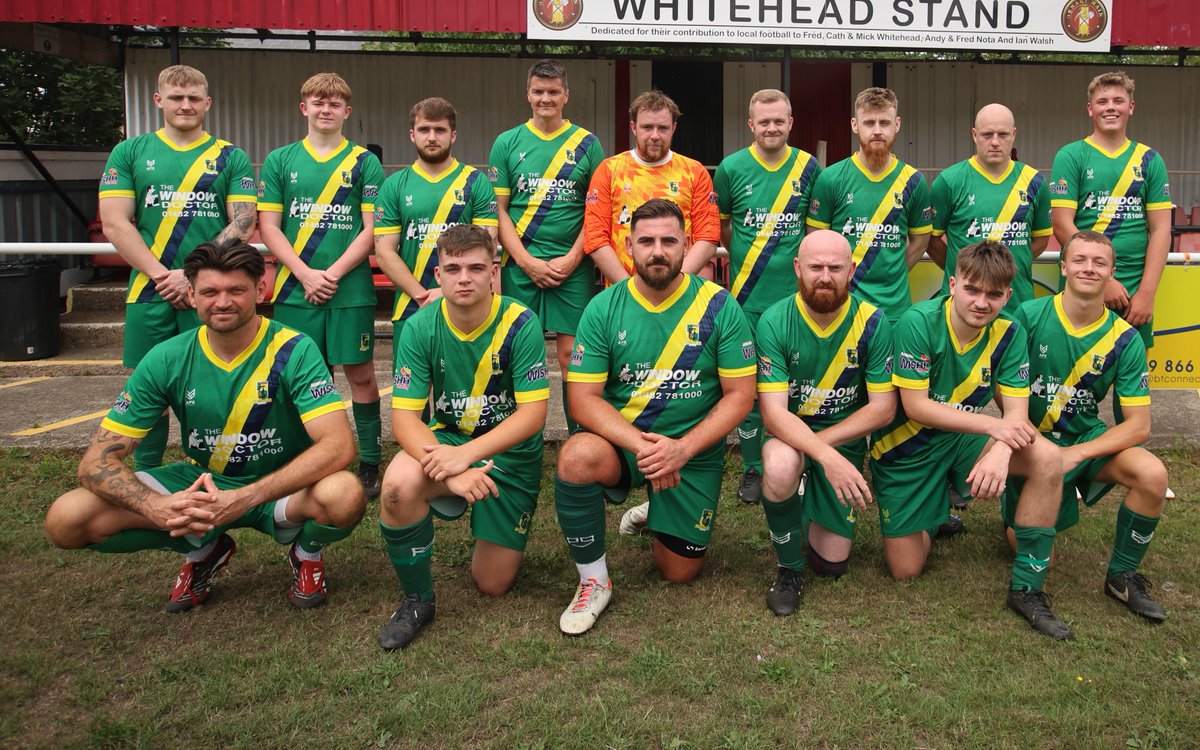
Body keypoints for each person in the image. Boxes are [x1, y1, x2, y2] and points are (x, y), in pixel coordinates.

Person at [44, 239, 364, 612]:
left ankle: (306, 552)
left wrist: (246, 497)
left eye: (236, 290)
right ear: (191, 294)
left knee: (345, 495)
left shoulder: (295, 348)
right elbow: (94, 463)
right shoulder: (166, 357)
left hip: (282, 485)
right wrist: (156, 506)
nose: (223, 302)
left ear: (261, 290)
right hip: (203, 486)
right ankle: (202, 547)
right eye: (209, 291)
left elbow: (339, 446)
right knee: (66, 519)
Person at [553, 198, 756, 635]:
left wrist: (681, 449)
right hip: (627, 446)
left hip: (691, 450)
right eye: (646, 241)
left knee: (678, 573)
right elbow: (583, 399)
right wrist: (644, 447)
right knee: (575, 456)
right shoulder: (603, 308)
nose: (658, 250)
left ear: (687, 244)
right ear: (629, 246)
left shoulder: (719, 306)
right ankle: (593, 581)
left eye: (668, 240)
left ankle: (657, 508)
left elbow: (741, 396)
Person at [869, 240, 1070, 639]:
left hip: (960, 438)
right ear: (952, 283)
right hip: (905, 448)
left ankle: (1026, 589)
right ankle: (934, 508)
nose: (982, 302)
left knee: (1048, 459)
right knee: (905, 571)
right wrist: (994, 430)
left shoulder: (1010, 332)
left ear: (1007, 295)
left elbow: (1015, 415)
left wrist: (999, 450)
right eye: (972, 289)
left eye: (994, 294)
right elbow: (916, 407)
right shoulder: (918, 321)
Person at [376, 225, 550, 650]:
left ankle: (492, 524)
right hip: (448, 441)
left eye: (475, 267)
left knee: (492, 584)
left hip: (508, 454)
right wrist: (452, 468)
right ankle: (418, 599)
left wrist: (466, 459)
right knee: (397, 487)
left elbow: (532, 415)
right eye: (452, 268)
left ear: (494, 271)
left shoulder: (521, 322)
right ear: (438, 275)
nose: (464, 278)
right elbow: (404, 421)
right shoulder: (419, 327)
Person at [99, 64, 258, 471]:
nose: (184, 105)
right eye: (175, 97)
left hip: (209, 291)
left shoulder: (230, 156)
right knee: (145, 385)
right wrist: (160, 274)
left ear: (207, 103)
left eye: (193, 98)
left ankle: (213, 469)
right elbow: (115, 222)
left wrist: (191, 276)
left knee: (210, 381)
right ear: (159, 101)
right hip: (149, 289)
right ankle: (149, 474)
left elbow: (243, 221)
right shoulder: (130, 152)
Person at [1004, 230, 1168, 623]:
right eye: (1079, 260)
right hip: (1033, 441)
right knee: (1040, 552)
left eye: (1099, 263)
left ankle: (1122, 575)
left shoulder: (1125, 338)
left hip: (1084, 440)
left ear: (1112, 272)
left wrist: (1076, 453)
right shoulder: (1028, 316)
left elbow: (1139, 426)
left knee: (1153, 473)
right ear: (1063, 267)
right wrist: (1037, 444)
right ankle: (1017, 518)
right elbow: (1003, 389)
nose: (1088, 269)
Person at [258, 73, 386, 499]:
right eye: (318, 102)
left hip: (349, 288)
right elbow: (269, 227)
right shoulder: (280, 160)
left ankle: (369, 461)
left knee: (362, 375)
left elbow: (373, 229)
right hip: (297, 288)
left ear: (346, 112)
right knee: (303, 378)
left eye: (334, 104)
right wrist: (305, 273)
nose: (325, 109)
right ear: (304, 108)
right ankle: (305, 460)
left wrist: (331, 274)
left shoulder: (364, 162)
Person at [755, 230, 896, 615]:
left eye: (835, 268)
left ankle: (800, 501)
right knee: (782, 465)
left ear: (851, 270)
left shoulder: (873, 322)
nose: (825, 277)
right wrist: (822, 456)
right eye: (815, 267)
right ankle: (788, 570)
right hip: (790, 437)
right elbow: (773, 413)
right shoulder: (774, 320)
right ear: (798, 269)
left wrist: (828, 451)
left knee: (832, 565)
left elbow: (883, 408)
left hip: (842, 441)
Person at [713, 88, 822, 504]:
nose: (772, 127)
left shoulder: (809, 168)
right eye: (764, 121)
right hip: (748, 302)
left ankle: (804, 462)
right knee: (753, 391)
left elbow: (815, 232)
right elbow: (725, 230)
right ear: (751, 124)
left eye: (780, 120)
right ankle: (755, 468)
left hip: (799, 303)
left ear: (791, 123)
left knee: (799, 386)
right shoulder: (731, 168)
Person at [488, 60, 605, 430]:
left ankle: (580, 437)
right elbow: (499, 212)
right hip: (521, 266)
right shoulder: (506, 143)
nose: (545, 98)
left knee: (572, 355)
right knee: (518, 353)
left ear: (566, 96)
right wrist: (525, 262)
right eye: (538, 91)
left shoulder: (587, 143)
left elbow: (596, 211)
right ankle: (518, 440)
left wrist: (573, 259)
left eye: (553, 92)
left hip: (573, 268)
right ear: (528, 94)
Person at [1050, 71, 1172, 350]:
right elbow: (1061, 223)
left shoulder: (1150, 160)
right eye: (1102, 101)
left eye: (1118, 100)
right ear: (1090, 109)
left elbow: (1161, 229)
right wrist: (1103, 280)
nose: (1110, 107)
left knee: (1130, 377)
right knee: (1071, 373)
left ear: (1131, 106)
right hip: (1083, 277)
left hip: (1133, 288)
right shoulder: (1071, 156)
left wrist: (1147, 294)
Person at [374, 97, 499, 365]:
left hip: (466, 306)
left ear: (453, 135)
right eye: (424, 130)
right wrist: (423, 295)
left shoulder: (476, 182)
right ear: (412, 134)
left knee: (465, 395)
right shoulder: (394, 185)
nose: (432, 137)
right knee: (412, 398)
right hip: (410, 306)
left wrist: (445, 291)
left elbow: (486, 245)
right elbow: (384, 252)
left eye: (440, 130)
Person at [806, 87, 932, 323]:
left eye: (884, 122)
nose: (876, 131)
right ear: (855, 125)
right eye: (869, 122)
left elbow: (921, 240)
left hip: (895, 311)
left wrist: (894, 272)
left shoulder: (914, 181)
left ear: (897, 124)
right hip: (842, 308)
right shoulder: (831, 178)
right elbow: (816, 241)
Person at [583, 90, 720, 284]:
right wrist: (628, 290)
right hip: (623, 293)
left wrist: (675, 284)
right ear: (634, 127)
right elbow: (595, 237)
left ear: (673, 128)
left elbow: (708, 236)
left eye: (662, 128)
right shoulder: (609, 170)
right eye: (647, 127)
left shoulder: (694, 172)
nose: (655, 135)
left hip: (681, 294)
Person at [929, 103, 1052, 314]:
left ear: (1013, 135)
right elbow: (931, 241)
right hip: (962, 306)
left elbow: (1040, 241)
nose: (995, 142)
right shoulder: (949, 181)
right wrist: (964, 269)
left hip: (1017, 304)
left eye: (1002, 134)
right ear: (975, 135)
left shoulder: (1035, 182)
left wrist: (1006, 268)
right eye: (987, 134)